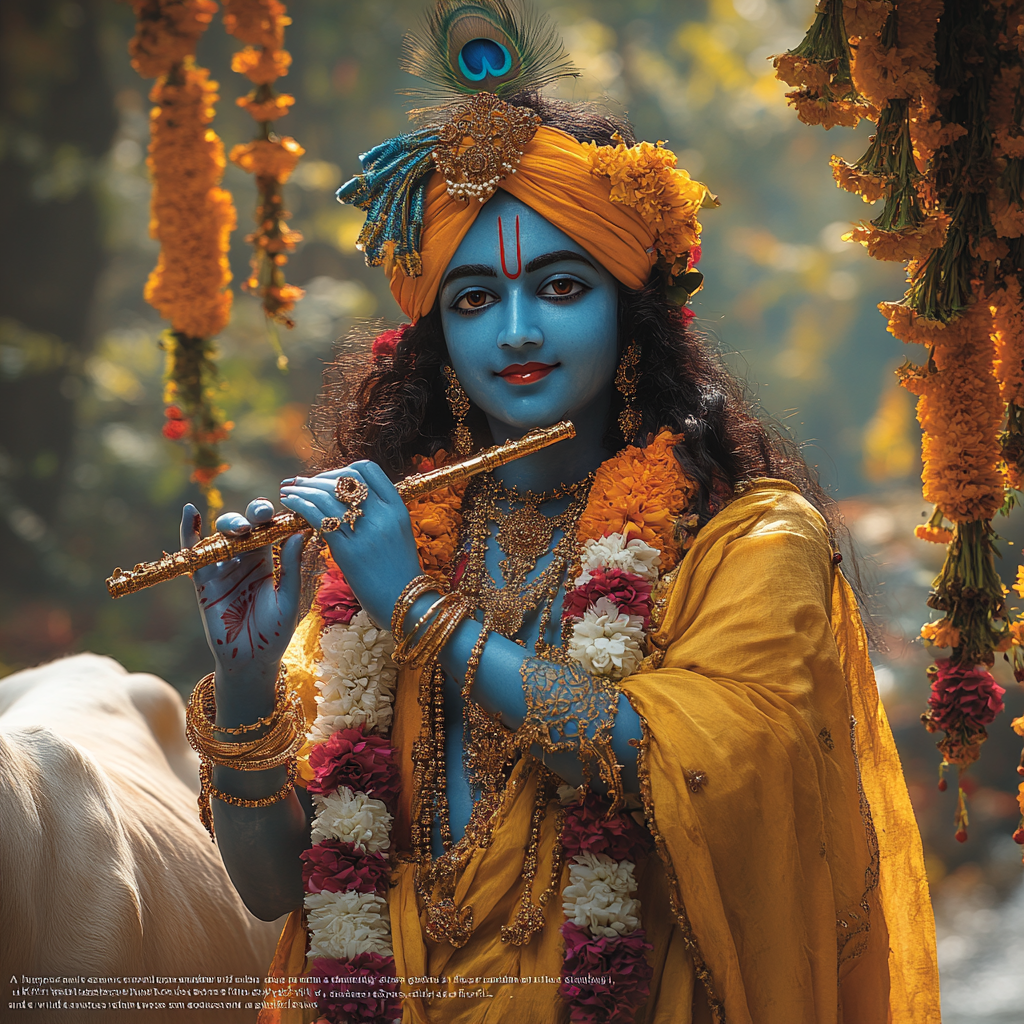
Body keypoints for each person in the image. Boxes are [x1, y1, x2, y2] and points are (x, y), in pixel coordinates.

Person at [180, 4, 941, 1022]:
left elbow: (647, 759)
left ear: (628, 310)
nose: (519, 329)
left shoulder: (749, 542)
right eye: (473, 300)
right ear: (436, 336)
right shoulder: (390, 546)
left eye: (562, 284)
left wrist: (412, 604)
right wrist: (240, 679)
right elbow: (279, 887)